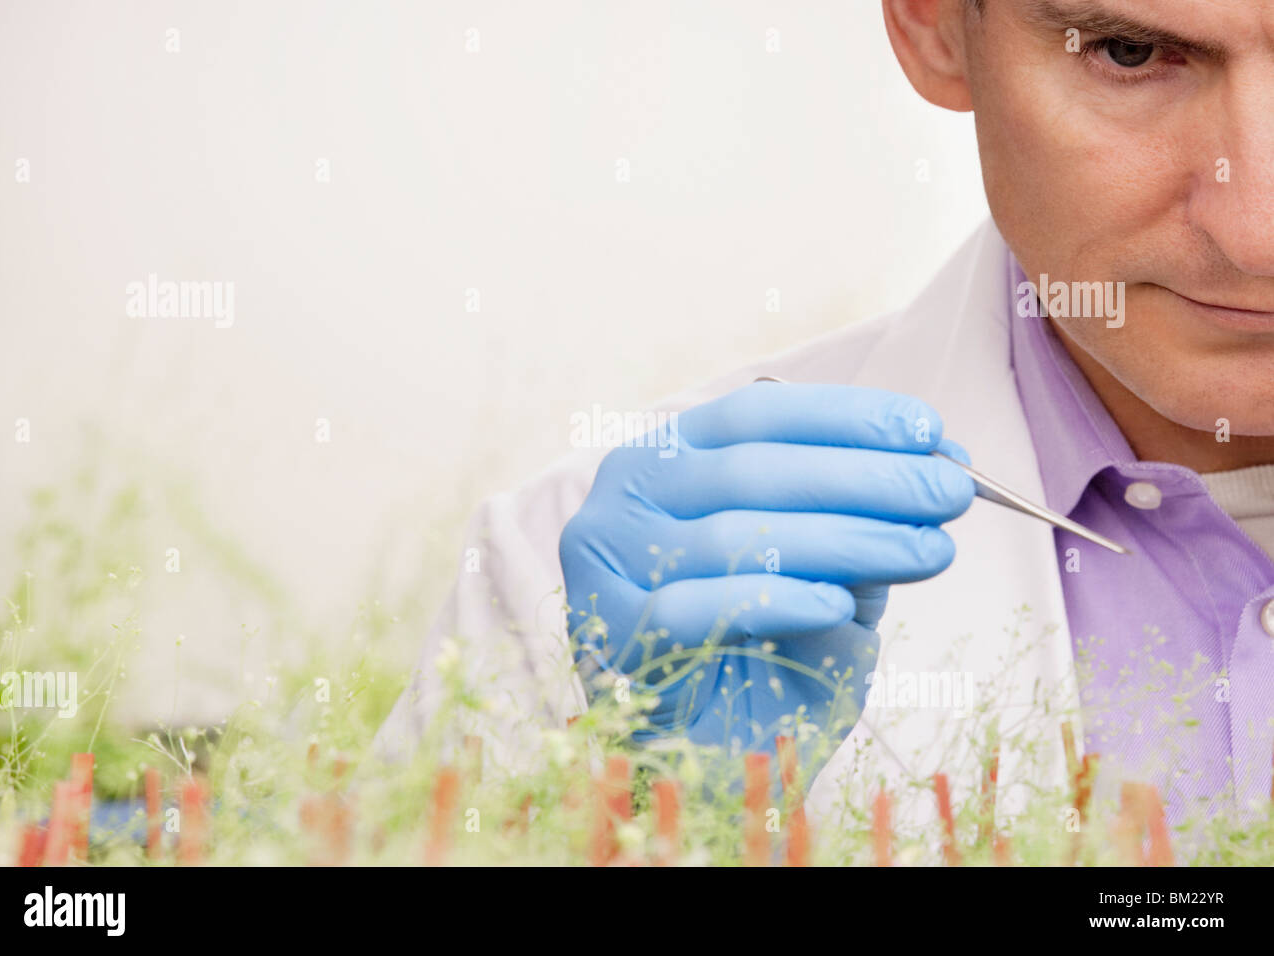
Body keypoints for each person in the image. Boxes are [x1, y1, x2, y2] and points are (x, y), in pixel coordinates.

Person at [376, 0, 1274, 828]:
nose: (1255, 234)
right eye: (1129, 53)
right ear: (935, 27)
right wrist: (677, 825)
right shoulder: (571, 584)